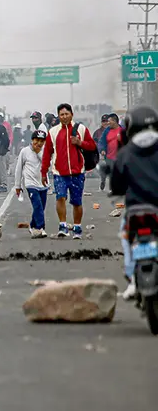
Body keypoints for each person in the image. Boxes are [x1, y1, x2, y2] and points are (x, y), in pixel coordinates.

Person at [109, 106, 158, 299]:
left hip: (136, 209)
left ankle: (132, 280)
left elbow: (117, 185)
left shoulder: (125, 153)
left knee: (126, 238)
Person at [40, 103, 96, 239]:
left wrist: (79, 142)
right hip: (59, 173)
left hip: (77, 172)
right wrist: (43, 172)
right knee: (60, 197)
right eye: (61, 114)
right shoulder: (53, 132)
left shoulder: (81, 129)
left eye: (66, 114)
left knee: (77, 202)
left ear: (72, 114)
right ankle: (63, 226)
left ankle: (77, 227)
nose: (64, 116)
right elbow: (47, 153)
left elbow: (92, 146)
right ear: (58, 116)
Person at [15, 129, 49, 238]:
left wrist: (38, 152)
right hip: (30, 184)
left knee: (41, 207)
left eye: (41, 141)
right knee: (37, 205)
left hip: (43, 184)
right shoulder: (24, 151)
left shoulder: (46, 151)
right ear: (32, 140)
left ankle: (32, 225)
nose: (38, 143)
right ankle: (40, 228)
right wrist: (18, 186)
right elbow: (18, 169)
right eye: (36, 140)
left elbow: (48, 165)